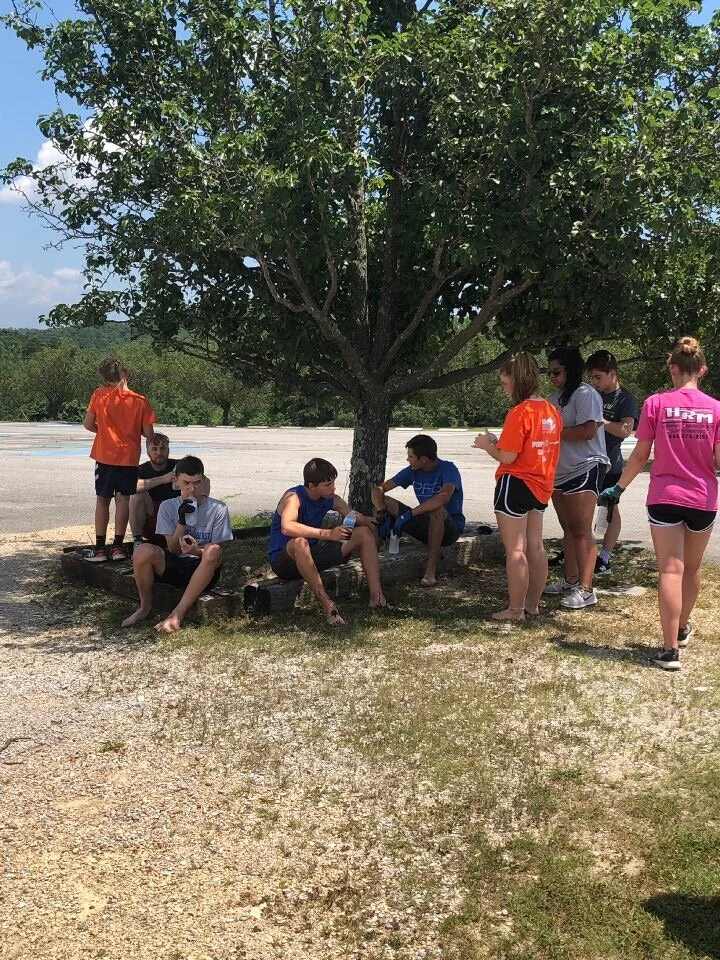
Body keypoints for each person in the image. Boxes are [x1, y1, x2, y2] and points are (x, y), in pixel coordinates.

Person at [604, 337, 720, 670]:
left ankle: (670, 651)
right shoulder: (716, 409)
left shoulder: (656, 404)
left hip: (665, 496)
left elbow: (640, 454)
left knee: (671, 569)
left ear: (672, 368)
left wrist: (618, 488)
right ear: (702, 370)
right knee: (692, 568)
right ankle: (681, 627)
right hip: (702, 498)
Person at [473, 352, 561, 620]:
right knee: (536, 546)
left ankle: (515, 609)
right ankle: (532, 605)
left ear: (516, 380)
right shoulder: (552, 411)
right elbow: (530, 447)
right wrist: (499, 442)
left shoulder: (519, 412)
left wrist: (487, 445)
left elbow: (508, 457)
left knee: (515, 549)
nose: (504, 389)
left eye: (504, 383)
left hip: (515, 484)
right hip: (541, 485)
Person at [268, 458, 387, 625]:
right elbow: (287, 527)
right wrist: (328, 534)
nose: (333, 487)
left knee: (363, 533)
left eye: (333, 482)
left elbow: (352, 515)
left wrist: (370, 521)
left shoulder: (332, 499)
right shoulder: (293, 497)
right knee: (300, 543)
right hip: (284, 562)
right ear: (312, 486)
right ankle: (328, 607)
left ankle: (377, 598)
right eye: (328, 484)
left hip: (311, 556)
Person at [121, 455, 233, 632]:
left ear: (203, 480)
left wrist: (196, 551)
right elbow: (172, 549)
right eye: (186, 483)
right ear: (176, 481)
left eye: (196, 482)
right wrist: (182, 522)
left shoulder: (218, 509)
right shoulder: (168, 506)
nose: (192, 488)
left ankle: (177, 615)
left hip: (203, 567)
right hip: (176, 562)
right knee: (142, 551)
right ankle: (144, 608)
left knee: (212, 549)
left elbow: (217, 553)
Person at [544, 347, 609, 609]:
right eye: (549, 373)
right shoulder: (552, 399)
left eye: (556, 372)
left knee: (582, 528)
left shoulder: (585, 394)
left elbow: (588, 431)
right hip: (560, 471)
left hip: (586, 466)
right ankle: (570, 580)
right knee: (568, 528)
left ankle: (587, 589)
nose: (552, 377)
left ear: (570, 370)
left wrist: (553, 433)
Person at [83, 358, 156, 562]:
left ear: (105, 378)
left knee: (102, 500)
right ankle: (118, 547)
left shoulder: (99, 395)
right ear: (125, 373)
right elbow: (149, 433)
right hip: (128, 457)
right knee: (123, 500)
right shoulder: (139, 400)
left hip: (104, 455)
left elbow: (88, 424)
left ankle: (100, 548)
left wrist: (103, 432)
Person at [373, 434, 465, 587]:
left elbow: (442, 498)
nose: (407, 459)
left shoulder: (448, 469)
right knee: (384, 502)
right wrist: (381, 511)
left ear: (423, 459)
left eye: (411, 457)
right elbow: (379, 489)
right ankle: (373, 562)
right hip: (425, 524)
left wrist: (409, 514)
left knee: (436, 510)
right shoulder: (412, 470)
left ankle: (430, 572)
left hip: (449, 529)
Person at [586, 350, 639, 574]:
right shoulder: (592, 395)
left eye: (598, 377)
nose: (594, 382)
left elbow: (626, 429)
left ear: (612, 374)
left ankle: (605, 557)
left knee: (610, 510)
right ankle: (577, 551)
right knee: (582, 510)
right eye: (592, 377)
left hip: (611, 465)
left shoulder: (625, 399)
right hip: (588, 462)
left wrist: (601, 422)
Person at [130, 433, 179, 546]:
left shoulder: (178, 465)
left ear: (168, 450)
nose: (159, 453)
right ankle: (137, 541)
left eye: (162, 448)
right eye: (154, 449)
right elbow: (131, 487)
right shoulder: (141, 469)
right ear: (148, 452)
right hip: (152, 519)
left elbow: (202, 479)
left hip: (176, 520)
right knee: (137, 494)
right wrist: (164, 479)